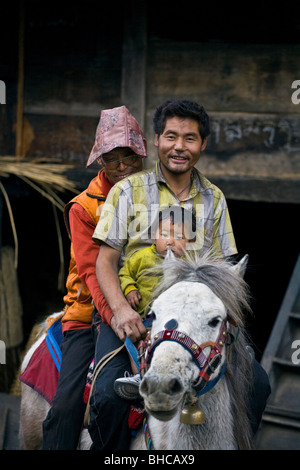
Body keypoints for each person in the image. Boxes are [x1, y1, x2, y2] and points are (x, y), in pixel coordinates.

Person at [88, 99, 269, 450]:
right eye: (171, 136)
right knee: (109, 396)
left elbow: (224, 271)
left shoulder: (214, 199)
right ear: (156, 140)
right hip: (135, 314)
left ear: (202, 145)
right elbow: (104, 263)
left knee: (258, 384)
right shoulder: (128, 191)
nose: (179, 147)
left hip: (195, 321)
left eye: (190, 138)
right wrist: (121, 312)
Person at [42, 105, 147, 450]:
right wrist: (118, 316)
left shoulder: (157, 195)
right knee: (68, 406)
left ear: (141, 154)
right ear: (100, 162)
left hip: (140, 302)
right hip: (88, 312)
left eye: (129, 158)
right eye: (112, 159)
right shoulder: (83, 207)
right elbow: (92, 273)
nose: (122, 167)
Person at [114, 205, 196, 400]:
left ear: (190, 243)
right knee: (135, 342)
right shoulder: (140, 258)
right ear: (154, 236)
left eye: (179, 237)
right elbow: (124, 274)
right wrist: (130, 289)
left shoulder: (187, 265)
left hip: (169, 322)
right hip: (142, 317)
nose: (170, 241)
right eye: (165, 234)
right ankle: (139, 376)